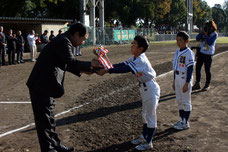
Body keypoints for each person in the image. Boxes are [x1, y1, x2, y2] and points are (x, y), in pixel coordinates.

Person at [26, 23, 103, 152]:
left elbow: (67, 64)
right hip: (41, 85)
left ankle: (56, 145)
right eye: (83, 39)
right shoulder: (63, 41)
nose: (83, 42)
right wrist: (90, 64)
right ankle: (49, 149)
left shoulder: (64, 40)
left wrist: (88, 70)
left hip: (47, 85)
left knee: (49, 119)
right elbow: (71, 62)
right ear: (76, 34)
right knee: (44, 122)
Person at [97, 36, 160, 151]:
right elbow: (122, 65)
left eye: (134, 44)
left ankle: (148, 142)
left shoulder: (141, 59)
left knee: (150, 116)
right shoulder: (136, 57)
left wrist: (107, 71)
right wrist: (106, 66)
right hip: (145, 88)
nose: (131, 45)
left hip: (151, 88)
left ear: (140, 49)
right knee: (144, 114)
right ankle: (144, 137)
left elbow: (125, 69)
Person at [172, 31, 195, 130]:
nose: (178, 42)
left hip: (184, 78)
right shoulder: (177, 52)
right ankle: (182, 120)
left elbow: (190, 68)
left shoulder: (189, 53)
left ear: (187, 41)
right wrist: (174, 80)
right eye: (177, 40)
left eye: (180, 40)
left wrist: (187, 83)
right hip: (177, 77)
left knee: (186, 101)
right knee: (180, 100)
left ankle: (185, 122)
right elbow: (175, 68)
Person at [192, 20, 218, 91]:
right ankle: (197, 83)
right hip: (201, 52)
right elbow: (197, 38)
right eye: (206, 27)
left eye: (208, 27)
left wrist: (206, 35)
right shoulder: (204, 32)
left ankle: (207, 84)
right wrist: (202, 33)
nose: (207, 28)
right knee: (197, 68)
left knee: (207, 69)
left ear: (212, 27)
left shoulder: (214, 34)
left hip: (209, 54)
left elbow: (210, 43)